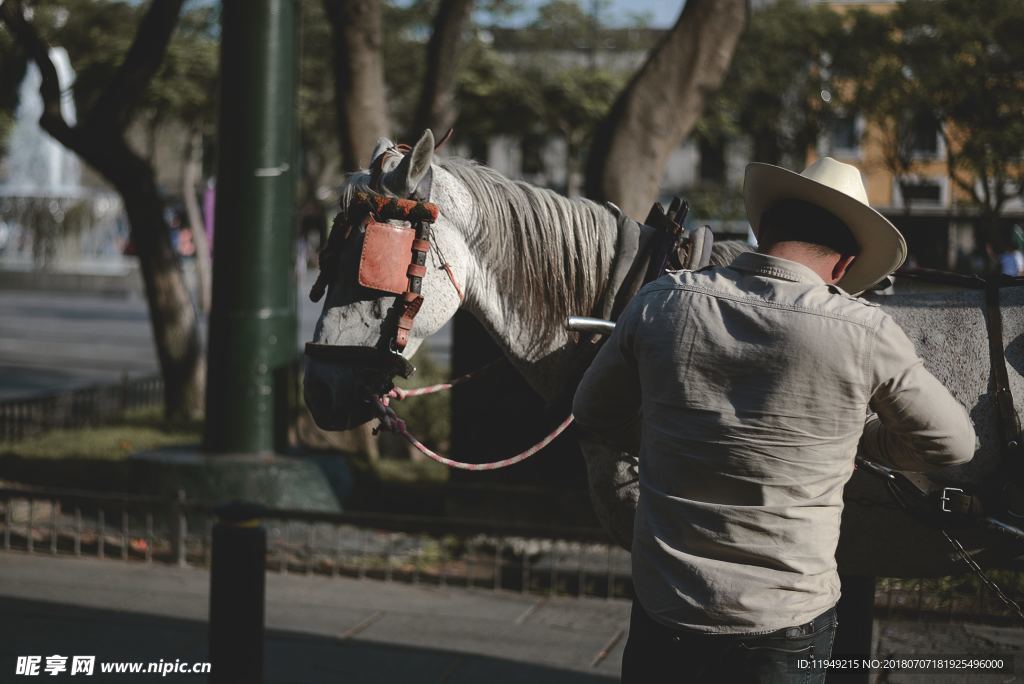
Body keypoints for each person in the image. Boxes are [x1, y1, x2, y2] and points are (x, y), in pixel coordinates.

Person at [572, 157, 976, 683]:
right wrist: (865, 444)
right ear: (843, 265)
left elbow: (592, 411)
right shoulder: (864, 332)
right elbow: (953, 444)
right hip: (785, 623)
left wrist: (678, 435)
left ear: (764, 233)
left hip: (667, 606)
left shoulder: (661, 302)